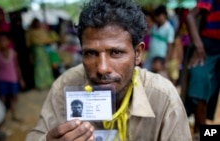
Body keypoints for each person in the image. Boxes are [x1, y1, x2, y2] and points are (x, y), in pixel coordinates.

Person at [26, 0, 192, 141]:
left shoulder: (163, 97)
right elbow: (36, 135)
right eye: (91, 53)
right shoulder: (65, 85)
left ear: (138, 54)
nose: (102, 68)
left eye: (116, 53)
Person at [184, 0, 220, 138]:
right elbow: (190, 16)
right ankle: (203, 133)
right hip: (208, 48)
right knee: (199, 83)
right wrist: (199, 46)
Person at [0, 32, 25, 121]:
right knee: (2, 99)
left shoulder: (13, 53)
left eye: (4, 40)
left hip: (13, 79)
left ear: (9, 41)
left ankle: (14, 115)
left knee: (14, 97)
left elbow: (17, 66)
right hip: (1, 79)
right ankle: (2, 117)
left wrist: (20, 79)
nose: (2, 43)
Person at [144, 5, 175, 70]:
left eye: (158, 16)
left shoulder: (169, 29)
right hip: (151, 54)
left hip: (161, 57)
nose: (156, 18)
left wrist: (167, 60)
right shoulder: (154, 26)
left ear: (164, 15)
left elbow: (170, 46)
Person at [26, 18, 54, 89]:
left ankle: (48, 82)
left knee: (46, 66)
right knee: (39, 67)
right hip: (37, 50)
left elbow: (48, 40)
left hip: (44, 50)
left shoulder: (42, 31)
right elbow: (28, 44)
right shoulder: (30, 32)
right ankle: (40, 84)